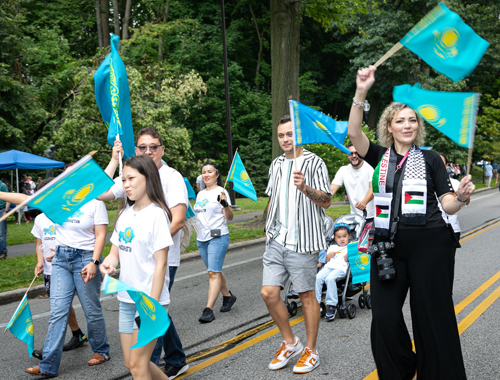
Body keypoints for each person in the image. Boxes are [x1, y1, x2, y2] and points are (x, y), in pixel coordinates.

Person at [347, 65, 475, 380]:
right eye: (400, 120)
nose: (407, 125)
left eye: (412, 120)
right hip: (388, 246)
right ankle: (403, 370)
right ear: (388, 127)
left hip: (431, 244)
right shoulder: (379, 156)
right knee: (386, 319)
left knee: (432, 318)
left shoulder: (431, 159)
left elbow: (446, 201)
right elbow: (353, 133)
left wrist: (460, 197)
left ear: (418, 127)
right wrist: (361, 91)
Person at [99, 127, 189, 379]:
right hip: (126, 297)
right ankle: (172, 363)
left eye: (130, 180)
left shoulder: (159, 210)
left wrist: (152, 305)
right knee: (133, 364)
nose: (125, 185)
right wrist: (108, 262)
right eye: (123, 180)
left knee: (140, 366)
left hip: (148, 299)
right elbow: (115, 251)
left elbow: (161, 263)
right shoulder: (126, 213)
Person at [261, 115, 331, 374]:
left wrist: (305, 187)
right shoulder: (277, 164)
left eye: (290, 134)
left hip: (303, 242)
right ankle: (290, 342)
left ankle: (311, 351)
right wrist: (267, 230)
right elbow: (273, 199)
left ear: (299, 135)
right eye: (281, 135)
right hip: (277, 239)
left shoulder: (314, 162)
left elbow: (326, 201)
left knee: (306, 296)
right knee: (268, 293)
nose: (285, 139)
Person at [29, 178, 89, 361]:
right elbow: (39, 243)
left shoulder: (67, 214)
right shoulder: (40, 219)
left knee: (57, 309)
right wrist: (40, 261)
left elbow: (73, 241)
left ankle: (49, 348)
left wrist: (61, 255)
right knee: (62, 305)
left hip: (65, 267)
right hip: (48, 271)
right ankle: (78, 334)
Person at [194, 161, 236, 323]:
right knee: (215, 270)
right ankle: (228, 296)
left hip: (218, 237)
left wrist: (225, 204)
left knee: (212, 272)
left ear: (217, 175)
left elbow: (230, 217)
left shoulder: (221, 191)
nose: (206, 175)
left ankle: (208, 309)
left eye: (210, 171)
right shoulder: (200, 194)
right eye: (204, 172)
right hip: (201, 239)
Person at [330, 142, 375, 223]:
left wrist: (363, 202)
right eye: (350, 153)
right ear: (347, 154)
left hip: (371, 217)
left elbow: (373, 188)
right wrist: (322, 199)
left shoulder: (370, 168)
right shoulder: (343, 170)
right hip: (354, 218)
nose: (354, 156)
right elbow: (331, 190)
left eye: (356, 153)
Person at [315, 223, 350, 321]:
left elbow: (346, 260)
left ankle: (331, 305)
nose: (342, 239)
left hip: (340, 268)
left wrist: (348, 253)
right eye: (339, 237)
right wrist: (328, 256)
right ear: (335, 238)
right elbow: (327, 261)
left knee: (329, 279)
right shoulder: (332, 247)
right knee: (318, 277)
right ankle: (316, 302)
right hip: (329, 267)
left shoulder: (349, 247)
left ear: (349, 236)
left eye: (344, 236)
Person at [0, 178, 10, 260]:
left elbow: (8, 199)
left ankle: (3, 252)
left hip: (1, 210)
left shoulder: (2, 186)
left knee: (1, 233)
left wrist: (6, 211)